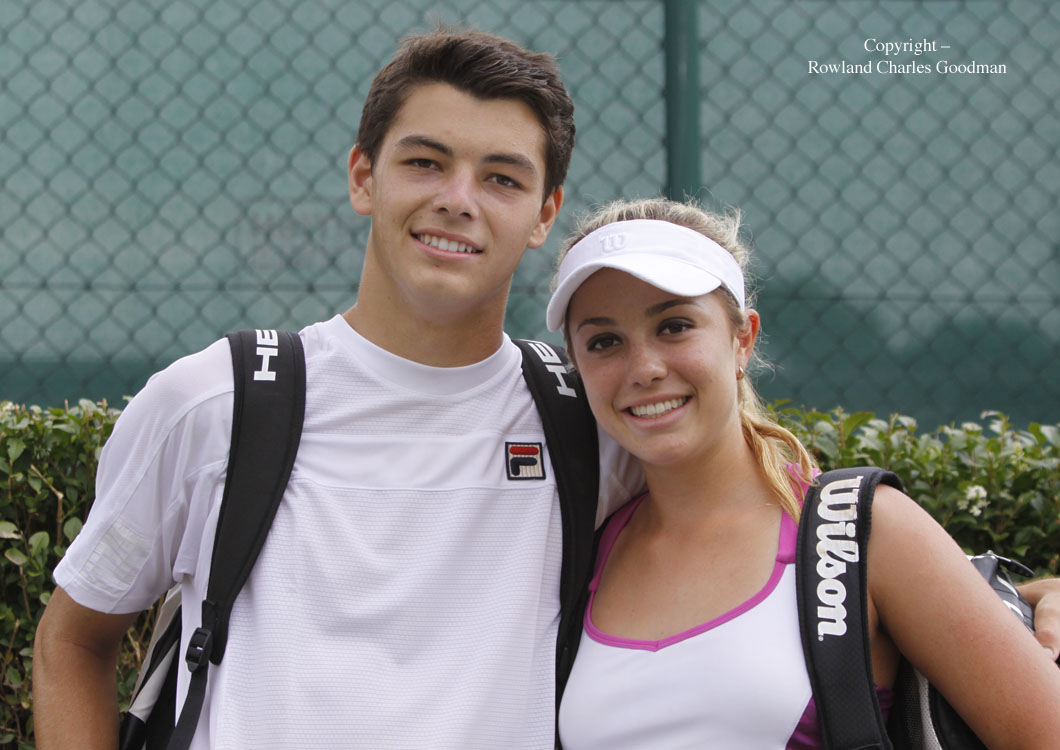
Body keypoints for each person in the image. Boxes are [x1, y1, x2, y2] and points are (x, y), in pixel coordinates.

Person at [32, 28, 640, 750]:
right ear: (363, 177)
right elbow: (73, 640)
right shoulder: (216, 403)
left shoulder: (591, 426)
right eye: (425, 162)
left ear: (544, 213)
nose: (458, 199)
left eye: (502, 178)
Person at [545, 197, 1060, 748]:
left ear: (742, 339)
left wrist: (1016, 599)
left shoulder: (864, 531)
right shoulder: (575, 549)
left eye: (674, 326)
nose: (645, 368)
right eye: (604, 342)